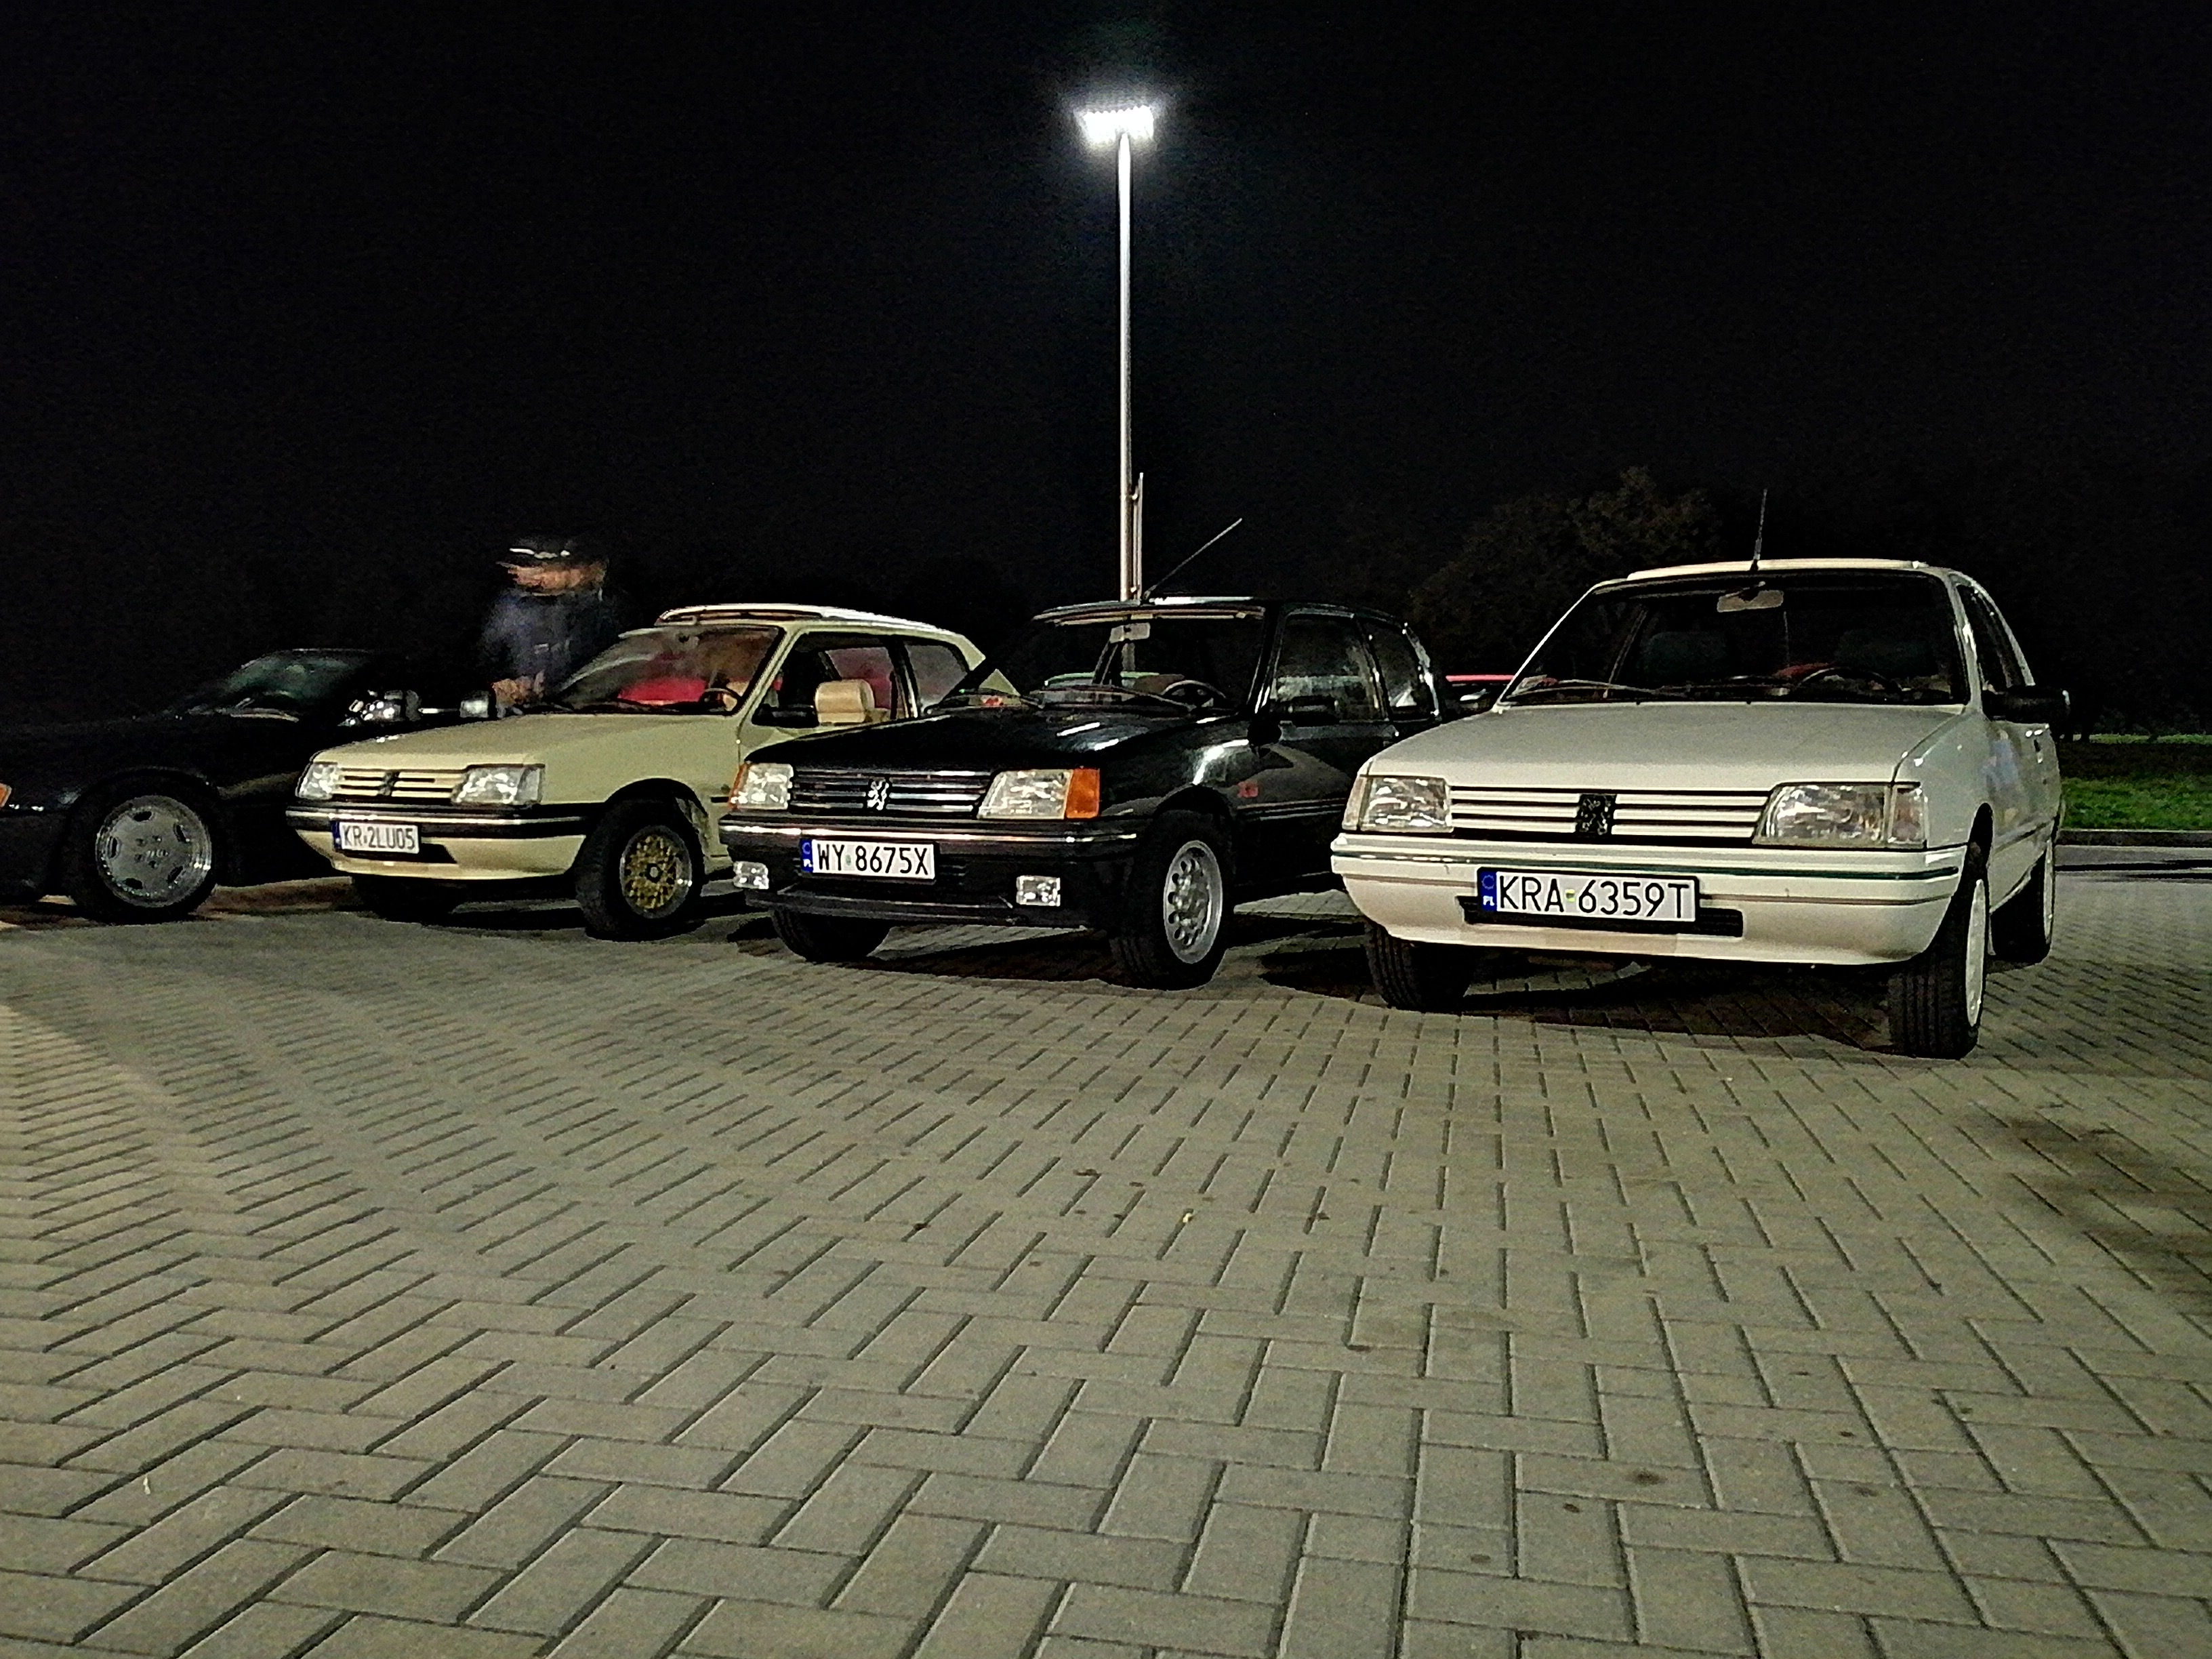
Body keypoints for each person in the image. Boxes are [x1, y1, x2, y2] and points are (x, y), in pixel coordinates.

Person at [478, 535, 630, 711]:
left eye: (539, 566)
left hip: (592, 711)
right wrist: (504, 685)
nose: (517, 572)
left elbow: (614, 665)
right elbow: (487, 661)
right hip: (527, 712)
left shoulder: (608, 608)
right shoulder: (511, 606)